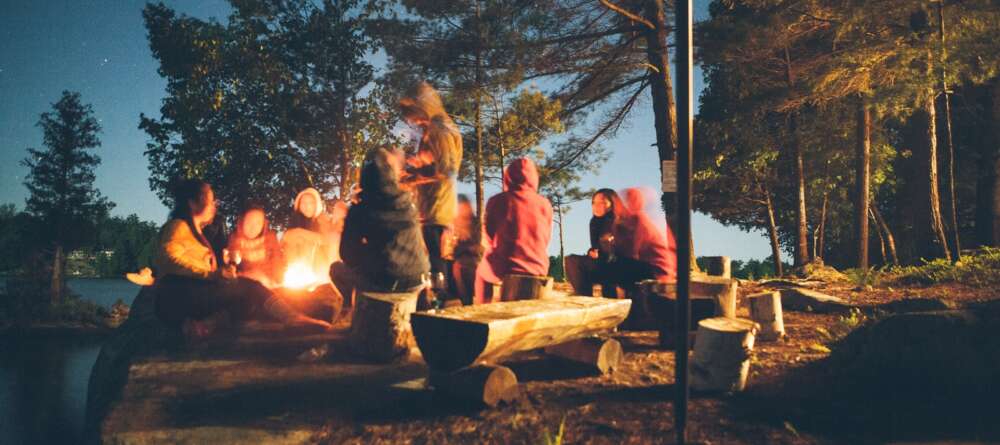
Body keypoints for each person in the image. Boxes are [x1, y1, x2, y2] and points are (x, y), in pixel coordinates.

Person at [152, 180, 331, 339]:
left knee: (248, 299)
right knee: (250, 287)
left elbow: (276, 260)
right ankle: (293, 318)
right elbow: (168, 258)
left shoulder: (198, 231)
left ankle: (204, 325)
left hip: (190, 293)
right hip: (178, 295)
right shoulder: (178, 226)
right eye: (210, 199)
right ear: (193, 203)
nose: (215, 205)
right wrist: (211, 275)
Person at [398, 81, 462, 299]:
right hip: (432, 206)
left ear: (422, 106)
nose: (411, 121)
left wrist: (413, 177)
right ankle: (441, 302)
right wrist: (417, 166)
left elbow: (447, 168)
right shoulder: (434, 129)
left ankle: (440, 307)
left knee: (436, 261)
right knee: (435, 258)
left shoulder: (439, 128)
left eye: (412, 114)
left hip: (437, 207)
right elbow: (437, 163)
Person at [340, 148, 430, 293]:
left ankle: (350, 311)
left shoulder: (360, 209)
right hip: (418, 278)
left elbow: (347, 254)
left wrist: (372, 255)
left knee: (337, 269)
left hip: (387, 282)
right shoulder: (407, 203)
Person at [474, 158, 553, 303]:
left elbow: (489, 234)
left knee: (480, 272)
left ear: (508, 177)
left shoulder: (497, 200)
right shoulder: (545, 204)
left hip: (507, 266)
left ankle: (481, 309)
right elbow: (546, 237)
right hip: (538, 266)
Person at [607, 187, 677, 294]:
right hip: (647, 266)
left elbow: (633, 252)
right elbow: (618, 249)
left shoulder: (640, 219)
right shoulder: (622, 222)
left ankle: (620, 302)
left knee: (618, 266)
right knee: (615, 265)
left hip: (658, 270)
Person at [564, 189, 624, 296]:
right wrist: (592, 251)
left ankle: (610, 298)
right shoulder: (594, 222)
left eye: (602, 203)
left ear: (612, 204)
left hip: (618, 266)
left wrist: (610, 244)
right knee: (571, 260)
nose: (596, 206)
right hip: (601, 263)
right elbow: (595, 246)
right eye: (594, 203)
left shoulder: (620, 221)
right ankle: (584, 297)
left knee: (609, 266)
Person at [225, 206, 284, 288]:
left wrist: (278, 280)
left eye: (258, 223)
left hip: (269, 285)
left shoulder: (270, 237)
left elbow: (277, 260)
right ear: (242, 221)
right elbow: (232, 268)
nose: (253, 227)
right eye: (249, 222)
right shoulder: (235, 239)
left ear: (263, 225)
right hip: (245, 286)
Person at [451, 194, 483, 305]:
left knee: (465, 267)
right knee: (458, 267)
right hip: (457, 260)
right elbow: (450, 249)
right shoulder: (453, 223)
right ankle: (465, 302)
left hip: (473, 260)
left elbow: (479, 247)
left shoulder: (476, 223)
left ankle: (469, 302)